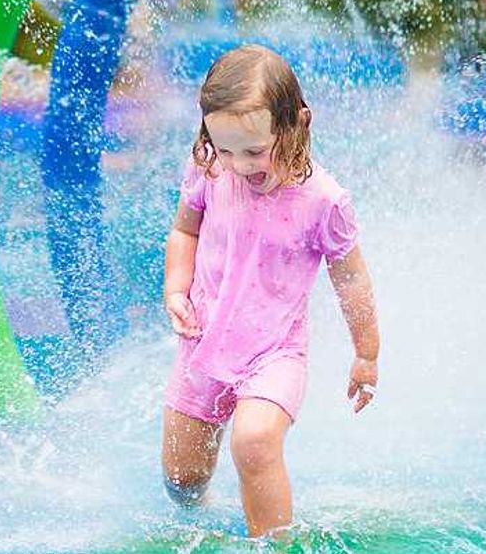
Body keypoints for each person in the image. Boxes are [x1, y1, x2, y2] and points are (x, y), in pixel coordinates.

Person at [160, 44, 381, 538]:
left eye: (255, 151)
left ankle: (275, 546)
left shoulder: (324, 201)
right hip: (204, 340)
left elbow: (351, 280)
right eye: (226, 149)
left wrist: (366, 353)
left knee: (255, 442)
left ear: (298, 124)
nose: (239, 165)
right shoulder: (208, 167)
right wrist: (176, 288)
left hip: (274, 351)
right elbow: (185, 230)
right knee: (183, 480)